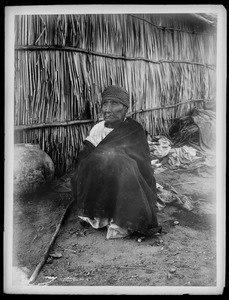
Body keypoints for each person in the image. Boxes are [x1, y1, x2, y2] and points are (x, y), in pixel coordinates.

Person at [71, 85, 161, 239]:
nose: (108, 109)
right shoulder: (97, 129)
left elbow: (142, 164)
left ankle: (123, 218)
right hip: (101, 179)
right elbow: (85, 159)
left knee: (122, 164)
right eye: (105, 104)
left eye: (114, 104)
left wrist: (113, 158)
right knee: (89, 161)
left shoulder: (134, 129)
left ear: (125, 108)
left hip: (128, 180)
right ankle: (99, 213)